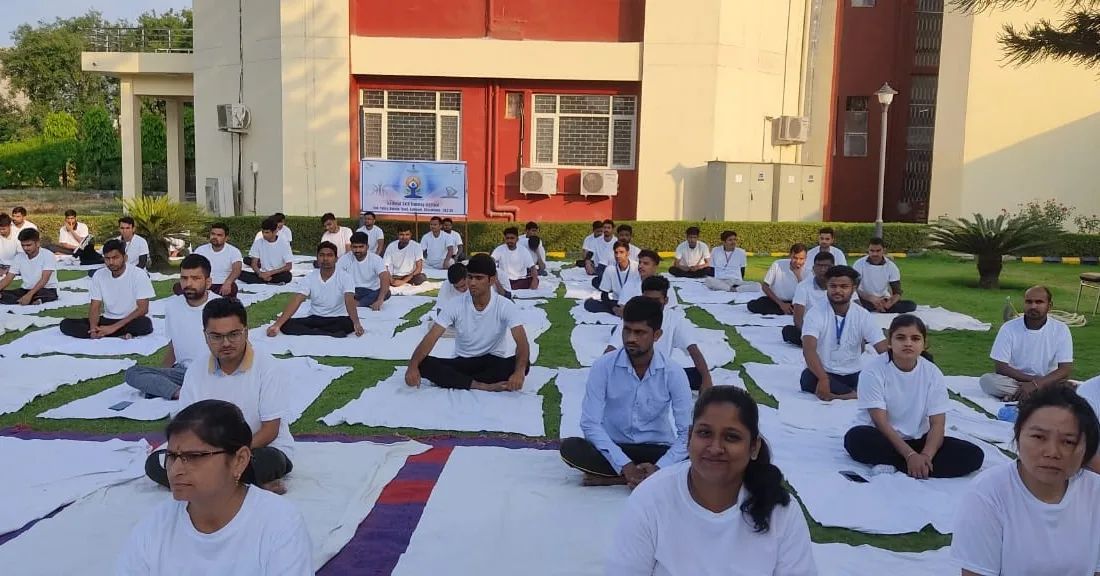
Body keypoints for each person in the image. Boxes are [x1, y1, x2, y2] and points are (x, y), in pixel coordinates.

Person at [606, 386, 817, 576]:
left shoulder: (782, 512)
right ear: (689, 438)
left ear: (754, 447)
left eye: (731, 437)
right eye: (705, 433)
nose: (715, 448)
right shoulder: (651, 499)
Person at [120, 399, 313, 575]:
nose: (175, 470)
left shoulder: (280, 523)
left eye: (194, 456)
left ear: (239, 460)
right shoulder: (155, 527)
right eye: (171, 456)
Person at [145, 298, 297, 495]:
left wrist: (229, 456)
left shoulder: (268, 368)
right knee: (156, 464)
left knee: (269, 462)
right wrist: (202, 455)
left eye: (233, 334)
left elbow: (270, 431)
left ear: (246, 331)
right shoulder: (195, 370)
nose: (226, 343)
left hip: (255, 449)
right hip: (206, 452)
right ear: (205, 336)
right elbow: (187, 425)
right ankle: (243, 483)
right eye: (216, 336)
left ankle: (211, 482)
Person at [950, 383, 1100, 576]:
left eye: (1068, 442)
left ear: (1087, 449)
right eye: (1039, 437)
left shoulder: (1095, 493)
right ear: (1018, 438)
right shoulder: (989, 494)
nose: (1052, 452)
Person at [561, 297, 693, 487]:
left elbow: (685, 433)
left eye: (640, 332)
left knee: (696, 452)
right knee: (571, 448)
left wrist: (659, 466)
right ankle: (641, 477)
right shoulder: (603, 366)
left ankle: (616, 478)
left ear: (657, 335)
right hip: (615, 446)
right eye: (627, 330)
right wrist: (625, 464)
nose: (631, 338)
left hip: (656, 448)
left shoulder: (673, 373)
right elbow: (590, 423)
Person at [844, 315, 985, 478]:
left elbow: (938, 423)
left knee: (973, 455)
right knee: (856, 439)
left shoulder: (932, 373)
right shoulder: (873, 370)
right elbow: (880, 422)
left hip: (919, 440)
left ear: (924, 344)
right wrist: (910, 455)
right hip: (883, 437)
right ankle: (912, 465)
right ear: (889, 342)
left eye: (915, 338)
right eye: (901, 338)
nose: (908, 343)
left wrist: (926, 456)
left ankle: (906, 465)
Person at [405, 253, 530, 392]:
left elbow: (522, 343)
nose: (472, 283)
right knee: (422, 363)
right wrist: (412, 366)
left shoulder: (505, 306)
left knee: (523, 365)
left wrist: (519, 372)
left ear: (492, 280)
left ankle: (461, 381)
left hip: (492, 360)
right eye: (470, 277)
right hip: (462, 360)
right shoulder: (455, 304)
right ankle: (481, 385)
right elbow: (431, 337)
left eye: (479, 278)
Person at [125, 254, 218, 400]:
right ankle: (181, 393)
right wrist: (163, 373)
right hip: (182, 373)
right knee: (133, 373)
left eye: (195, 278)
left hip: (213, 372)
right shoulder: (172, 306)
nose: (188, 283)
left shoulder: (221, 307)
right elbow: (174, 345)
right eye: (184, 278)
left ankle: (174, 391)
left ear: (208, 282)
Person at [604, 276, 713, 392]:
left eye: (656, 301)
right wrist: (604, 375)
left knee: (699, 375)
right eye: (648, 300)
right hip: (631, 373)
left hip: (660, 374)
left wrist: (707, 380)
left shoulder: (674, 319)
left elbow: (693, 349)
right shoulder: (633, 316)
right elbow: (610, 350)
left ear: (666, 301)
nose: (651, 305)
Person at [799, 265, 889, 400]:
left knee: (880, 378)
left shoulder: (863, 315)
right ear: (827, 287)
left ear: (853, 289)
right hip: (824, 373)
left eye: (844, 287)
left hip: (854, 374)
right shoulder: (815, 313)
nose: (838, 291)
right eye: (833, 286)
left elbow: (881, 347)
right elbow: (808, 350)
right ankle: (855, 394)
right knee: (807, 378)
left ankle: (846, 395)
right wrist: (823, 379)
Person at [980, 286, 1074, 401]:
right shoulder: (1009, 328)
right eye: (1029, 302)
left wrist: (1037, 384)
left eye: (1039, 302)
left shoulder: (1061, 329)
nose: (1033, 306)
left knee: (1069, 386)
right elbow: (1001, 368)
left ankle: (1020, 395)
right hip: (1016, 380)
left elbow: (1064, 369)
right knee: (987, 381)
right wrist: (1034, 382)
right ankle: (1038, 394)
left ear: (1049, 306)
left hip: (1046, 380)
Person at [59, 239, 155, 339]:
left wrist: (113, 328)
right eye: (107, 258)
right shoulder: (99, 275)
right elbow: (95, 306)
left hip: (130, 320)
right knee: (65, 324)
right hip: (108, 319)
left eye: (115, 258)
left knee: (145, 324)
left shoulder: (138, 274)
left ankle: (108, 332)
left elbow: (143, 309)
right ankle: (111, 334)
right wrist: (92, 329)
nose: (111, 262)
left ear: (125, 258)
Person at [266, 242, 362, 338]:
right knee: (286, 325)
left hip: (338, 318)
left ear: (336, 259)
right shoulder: (310, 277)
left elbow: (349, 300)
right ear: (317, 258)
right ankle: (326, 334)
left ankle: (313, 332)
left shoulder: (345, 277)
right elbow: (297, 299)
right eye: (322, 255)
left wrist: (356, 323)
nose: (325, 259)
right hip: (315, 318)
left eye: (329, 255)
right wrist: (277, 325)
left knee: (348, 324)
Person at [781, 252, 835, 346]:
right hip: (812, 328)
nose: (823, 269)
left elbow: (857, 308)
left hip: (836, 326)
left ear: (833, 268)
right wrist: (808, 336)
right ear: (813, 269)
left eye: (827, 266)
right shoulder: (803, 286)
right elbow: (798, 319)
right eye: (819, 266)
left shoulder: (842, 284)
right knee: (789, 331)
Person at [853, 237, 916, 314]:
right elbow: (854, 288)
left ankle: (881, 308)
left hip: (883, 299)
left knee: (911, 305)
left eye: (878, 251)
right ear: (868, 250)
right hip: (864, 299)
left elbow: (897, 292)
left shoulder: (891, 266)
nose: (874, 254)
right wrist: (870, 298)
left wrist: (889, 304)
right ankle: (875, 308)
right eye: (872, 251)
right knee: (854, 304)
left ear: (884, 250)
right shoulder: (859, 264)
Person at [0, 228, 59, 305]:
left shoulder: (48, 255)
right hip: (25, 290)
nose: (25, 248)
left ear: (37, 243)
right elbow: (8, 278)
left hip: (46, 289)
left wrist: (29, 295)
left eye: (28, 245)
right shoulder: (19, 257)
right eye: (23, 245)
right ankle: (30, 300)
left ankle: (33, 299)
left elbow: (44, 280)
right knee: (4, 294)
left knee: (47, 295)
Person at [746, 244, 807, 315]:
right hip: (776, 301)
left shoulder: (808, 270)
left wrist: (798, 276)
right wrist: (781, 304)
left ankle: (787, 310)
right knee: (752, 305)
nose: (797, 261)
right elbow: (765, 286)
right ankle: (785, 310)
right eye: (795, 258)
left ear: (805, 258)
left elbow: (806, 293)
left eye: (801, 259)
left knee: (805, 308)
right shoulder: (778, 264)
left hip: (795, 302)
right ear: (790, 255)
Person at [584, 241, 639, 316]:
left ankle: (626, 311)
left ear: (628, 253)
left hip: (634, 302)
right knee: (589, 304)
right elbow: (604, 295)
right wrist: (614, 308)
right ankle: (621, 312)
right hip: (617, 302)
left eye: (621, 252)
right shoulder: (610, 269)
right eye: (616, 252)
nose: (618, 255)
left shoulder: (637, 267)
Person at [338, 231, 391, 310]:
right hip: (352, 291)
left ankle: (357, 303)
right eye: (355, 247)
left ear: (367, 247)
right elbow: (336, 277)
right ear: (351, 247)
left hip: (371, 291)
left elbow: (384, 278)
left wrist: (380, 300)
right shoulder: (345, 259)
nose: (357, 250)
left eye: (361, 247)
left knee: (386, 292)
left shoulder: (376, 259)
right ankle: (364, 303)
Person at [191, 223, 242, 297]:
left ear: (226, 238)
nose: (215, 237)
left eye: (219, 235)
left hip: (222, 284)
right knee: (179, 287)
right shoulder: (200, 250)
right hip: (203, 283)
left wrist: (228, 283)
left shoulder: (234, 251)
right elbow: (192, 267)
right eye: (213, 234)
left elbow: (237, 269)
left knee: (232, 289)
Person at [240, 218, 294, 285]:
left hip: (277, 273)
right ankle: (267, 280)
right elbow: (254, 263)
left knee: (287, 276)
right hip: (262, 273)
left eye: (267, 232)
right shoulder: (258, 242)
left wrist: (270, 273)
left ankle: (263, 280)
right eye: (263, 232)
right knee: (239, 273)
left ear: (275, 231)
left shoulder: (284, 243)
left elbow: (289, 266)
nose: (264, 234)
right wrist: (260, 274)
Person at [491, 226, 539, 292]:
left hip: (521, 280)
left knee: (535, 280)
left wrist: (535, 279)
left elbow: (532, 267)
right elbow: (491, 261)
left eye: (512, 238)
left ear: (517, 239)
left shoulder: (523, 250)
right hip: (505, 280)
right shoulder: (500, 249)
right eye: (507, 238)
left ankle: (507, 290)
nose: (509, 240)